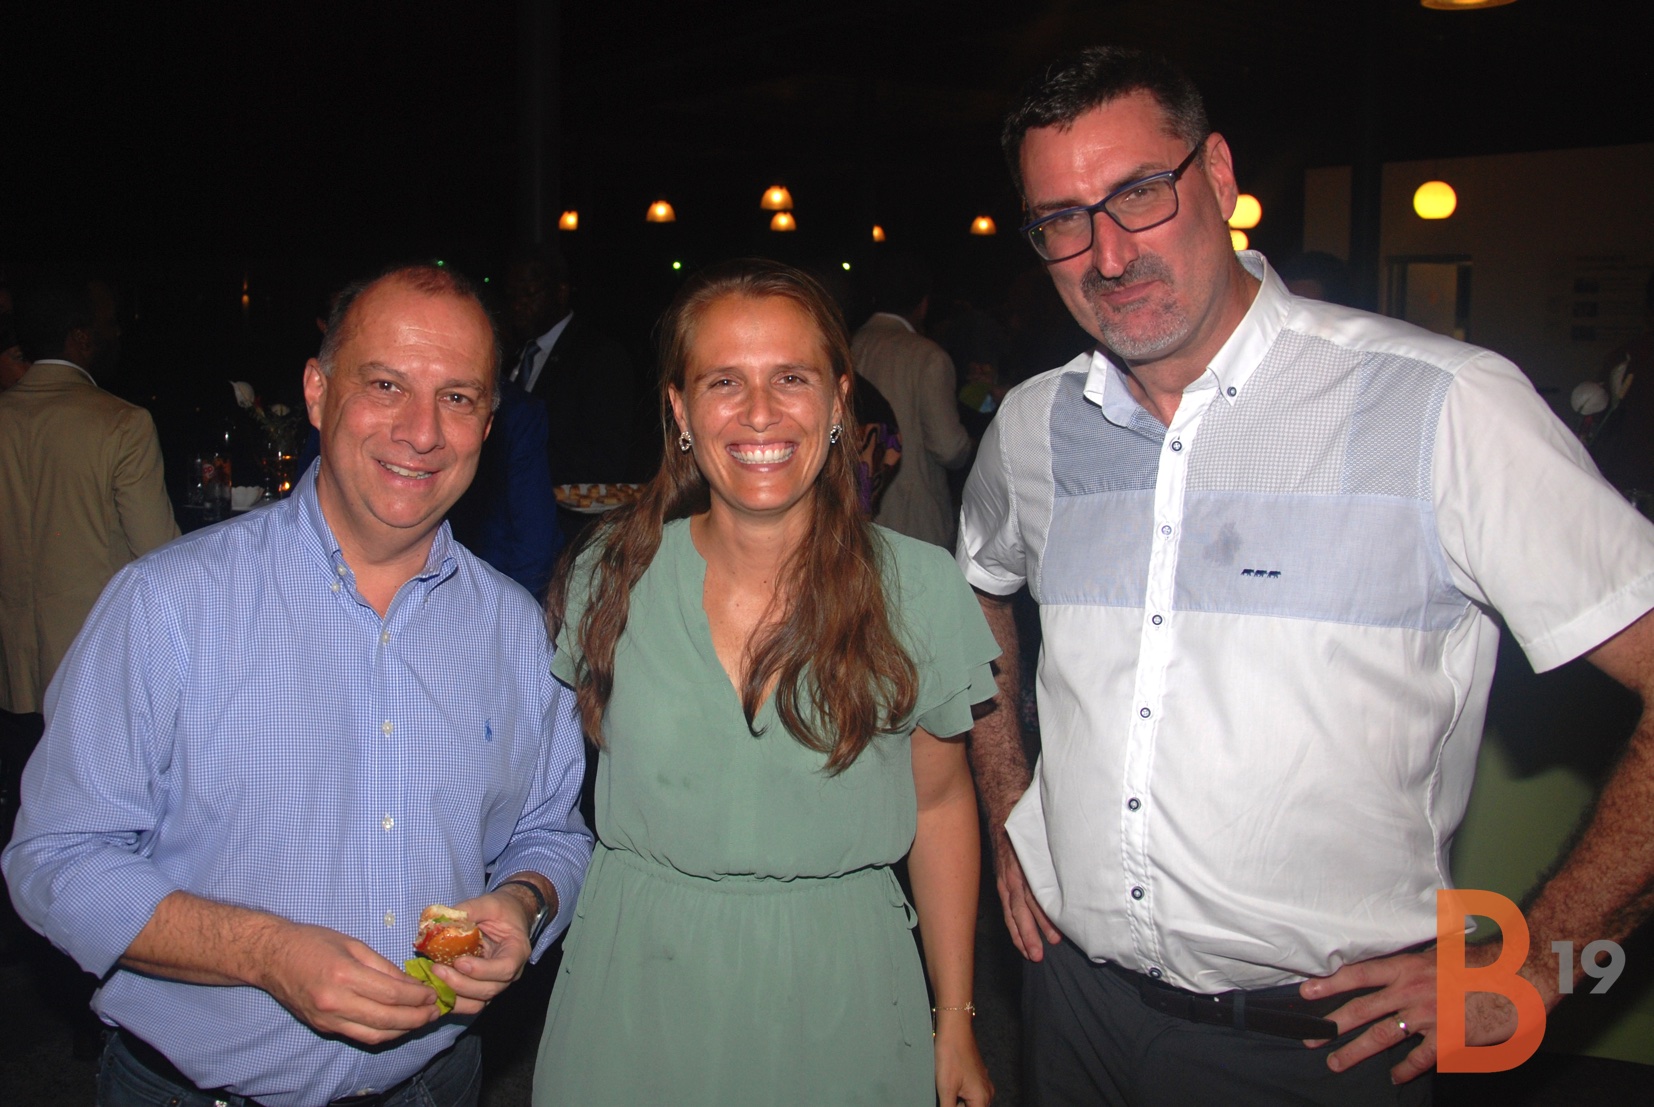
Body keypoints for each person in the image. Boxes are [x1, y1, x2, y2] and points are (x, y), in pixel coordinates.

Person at [959, 46, 1654, 1105]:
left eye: (1138, 194)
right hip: (1075, 1012)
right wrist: (1013, 811)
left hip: (1319, 1050)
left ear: (1219, 175)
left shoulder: (1443, 405)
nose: (1106, 253)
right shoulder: (1033, 424)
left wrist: (1534, 968)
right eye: (1061, 219)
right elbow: (978, 591)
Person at [3, 263, 593, 1107]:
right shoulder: (169, 605)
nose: (422, 431)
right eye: (385, 385)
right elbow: (55, 858)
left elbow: (551, 830)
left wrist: (523, 901)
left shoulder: (516, 631)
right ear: (317, 392)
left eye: (458, 397)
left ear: (488, 423)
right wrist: (266, 953)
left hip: (434, 1084)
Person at [532, 259, 998, 1106]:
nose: (758, 412)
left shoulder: (918, 588)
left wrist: (956, 1018)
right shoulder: (609, 574)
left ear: (838, 400)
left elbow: (938, 807)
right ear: (680, 410)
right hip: (637, 992)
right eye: (724, 381)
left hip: (845, 998)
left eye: (791, 378)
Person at [1, 274, 177, 836]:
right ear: (80, 338)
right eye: (108, 325)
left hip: (9, 670)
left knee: (19, 823)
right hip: (90, 669)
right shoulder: (121, 423)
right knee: (86, 832)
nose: (115, 334)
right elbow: (161, 557)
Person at [852, 253, 975, 548]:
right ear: (923, 304)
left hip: (853, 516)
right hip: (913, 519)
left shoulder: (847, 344)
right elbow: (948, 447)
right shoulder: (928, 357)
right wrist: (972, 441)